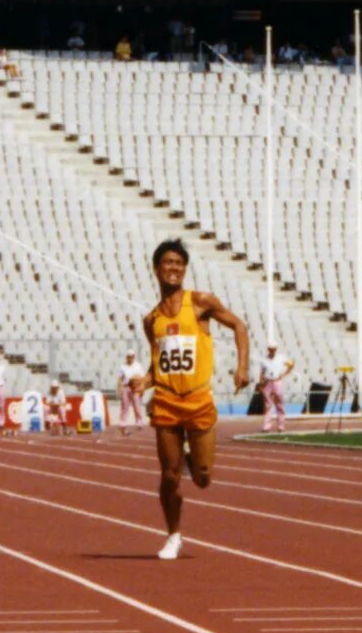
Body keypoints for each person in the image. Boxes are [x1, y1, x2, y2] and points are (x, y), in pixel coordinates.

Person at [141, 239, 250, 561]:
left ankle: (193, 460)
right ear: (156, 269)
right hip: (166, 400)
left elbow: (239, 326)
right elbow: (157, 361)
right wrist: (145, 380)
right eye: (168, 263)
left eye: (179, 263)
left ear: (184, 269)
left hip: (199, 399)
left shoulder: (200, 302)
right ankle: (173, 534)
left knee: (202, 478)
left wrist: (241, 367)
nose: (173, 268)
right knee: (168, 476)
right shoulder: (151, 320)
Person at [259, 339, 294, 432]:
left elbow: (291, 364)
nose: (272, 350)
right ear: (268, 349)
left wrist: (284, 374)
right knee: (267, 405)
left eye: (273, 349)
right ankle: (266, 426)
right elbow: (262, 373)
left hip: (277, 381)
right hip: (267, 382)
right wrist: (260, 383)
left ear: (276, 349)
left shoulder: (281, 357)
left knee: (279, 404)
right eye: (270, 349)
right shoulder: (264, 360)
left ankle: (281, 426)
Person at [116, 349, 147, 437]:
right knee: (124, 406)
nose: (130, 358)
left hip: (135, 388)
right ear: (127, 357)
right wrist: (119, 388)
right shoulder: (123, 366)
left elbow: (142, 378)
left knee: (136, 405)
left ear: (134, 357)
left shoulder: (138, 366)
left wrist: (142, 388)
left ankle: (139, 421)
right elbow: (120, 378)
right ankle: (123, 422)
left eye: (132, 357)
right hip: (126, 387)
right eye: (129, 357)